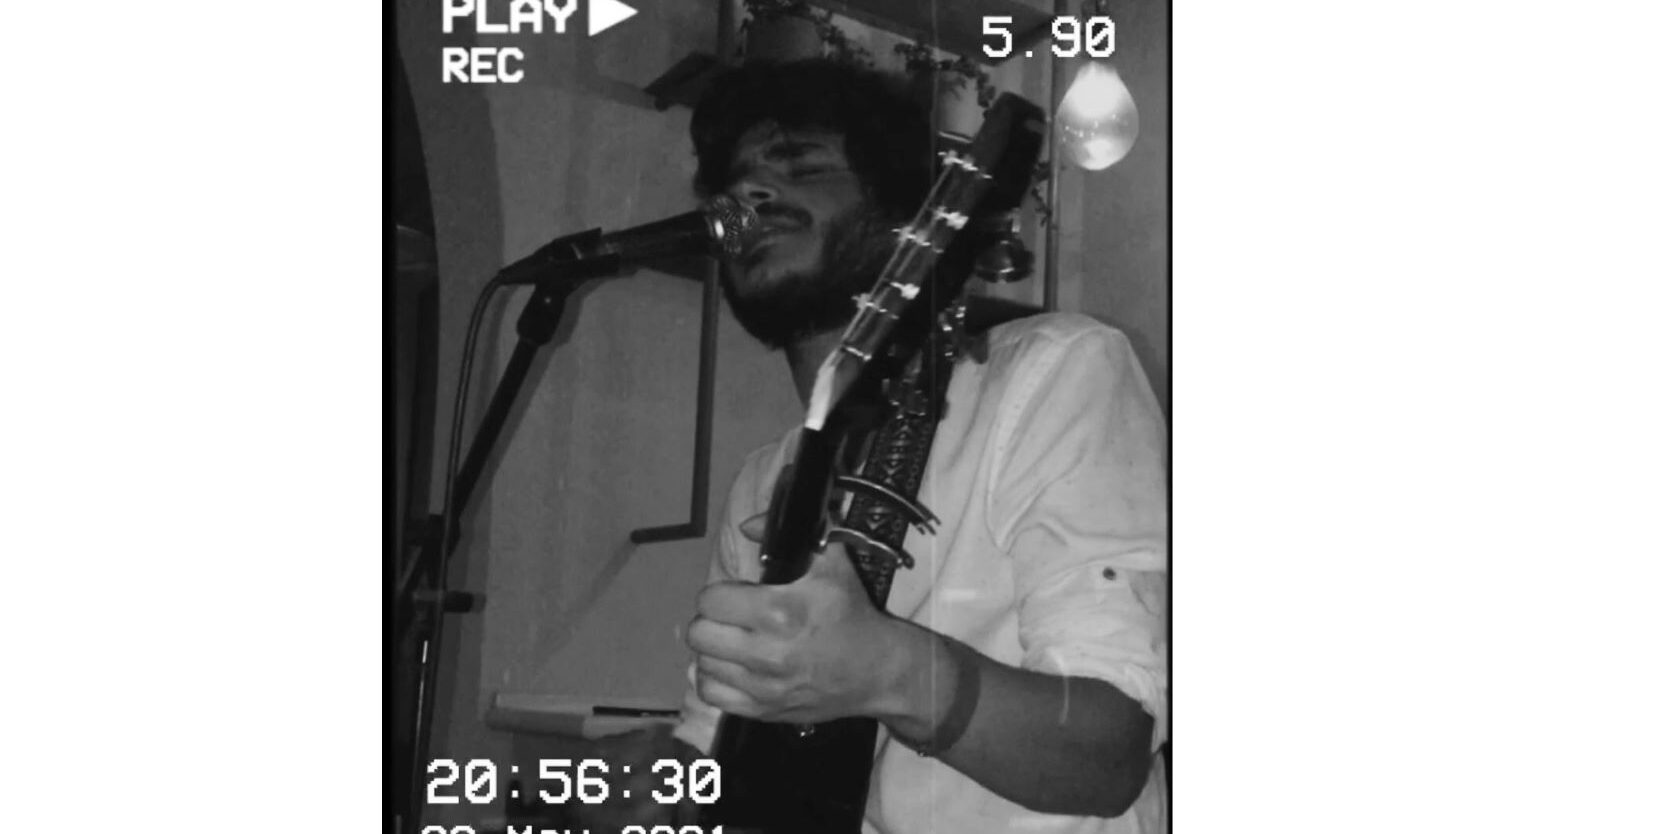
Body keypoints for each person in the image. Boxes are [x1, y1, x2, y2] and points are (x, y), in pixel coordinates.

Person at [587, 58, 1168, 834]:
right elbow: (725, 752)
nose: (749, 194)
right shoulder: (766, 480)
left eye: (802, 168)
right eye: (732, 183)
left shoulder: (1055, 373)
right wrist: (660, 779)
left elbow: (1109, 754)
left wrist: (893, 672)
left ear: (901, 214)